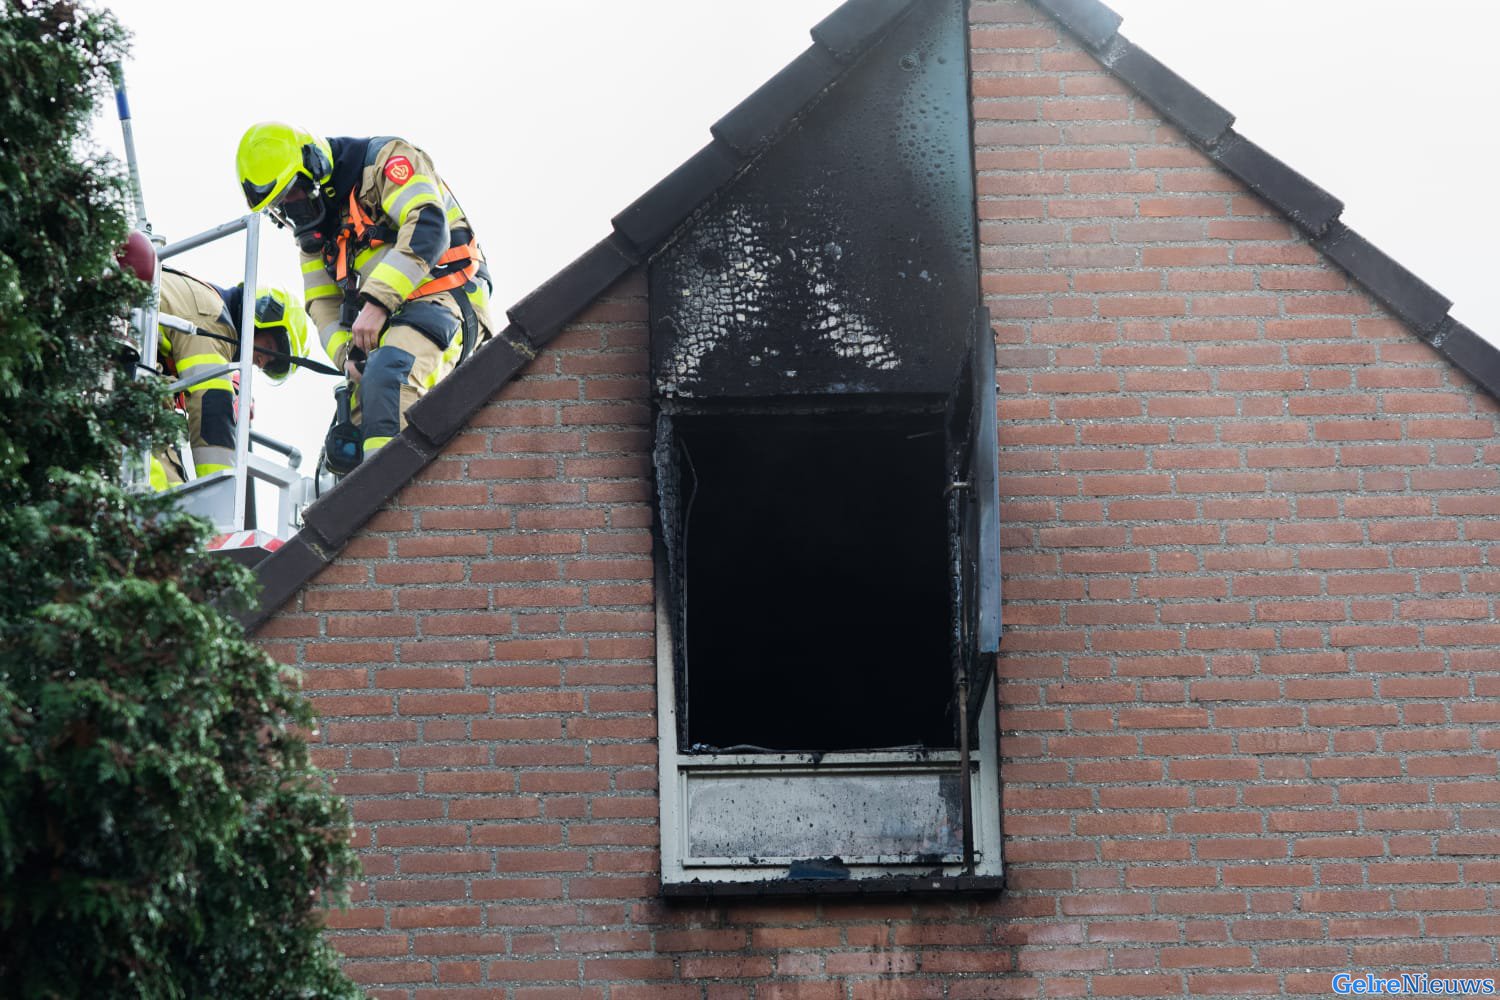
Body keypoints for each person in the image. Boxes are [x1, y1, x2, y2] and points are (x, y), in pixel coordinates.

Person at [234, 122, 494, 469]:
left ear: (314, 166)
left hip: (448, 299)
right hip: (390, 322)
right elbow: (321, 305)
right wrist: (347, 355)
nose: (293, 210)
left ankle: (392, 512)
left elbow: (428, 226)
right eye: (280, 207)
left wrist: (376, 304)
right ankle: (361, 511)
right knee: (351, 434)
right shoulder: (313, 236)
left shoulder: (388, 161)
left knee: (390, 377)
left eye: (293, 193)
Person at [152, 267, 308, 487]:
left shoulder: (207, 302)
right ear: (263, 314)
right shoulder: (214, 319)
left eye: (269, 366)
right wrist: (218, 498)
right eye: (269, 348)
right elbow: (212, 410)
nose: (261, 362)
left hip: (128, 352)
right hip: (124, 356)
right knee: (165, 490)